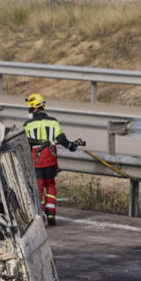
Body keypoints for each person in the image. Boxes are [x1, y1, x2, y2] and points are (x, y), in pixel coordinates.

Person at [24, 93, 83, 226]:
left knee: (38, 188)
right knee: (50, 185)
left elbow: (25, 144)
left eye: (29, 109)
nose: (28, 112)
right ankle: (51, 214)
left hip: (37, 161)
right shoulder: (53, 122)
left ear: (34, 109)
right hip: (50, 160)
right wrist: (71, 146)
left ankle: (40, 216)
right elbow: (61, 139)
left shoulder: (27, 125)